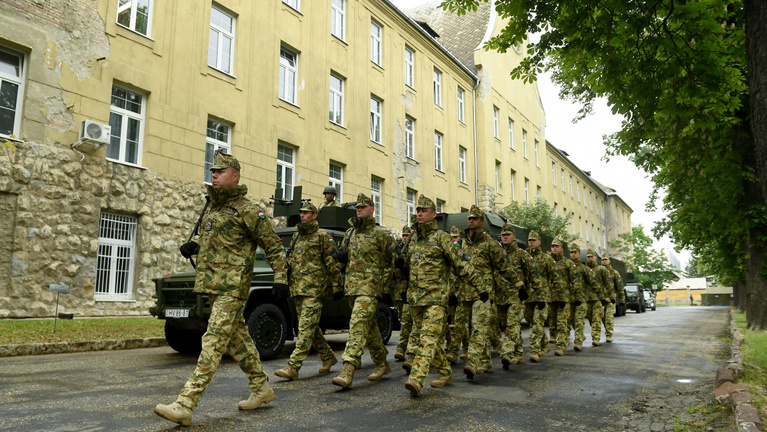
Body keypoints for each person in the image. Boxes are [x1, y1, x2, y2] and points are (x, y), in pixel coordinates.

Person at [154, 150, 288, 427]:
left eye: (219, 172)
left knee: (212, 342)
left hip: (234, 287)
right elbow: (216, 241)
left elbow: (273, 245)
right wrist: (195, 246)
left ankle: (185, 404)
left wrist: (281, 279)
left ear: (235, 176)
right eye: (212, 172)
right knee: (239, 341)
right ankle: (262, 388)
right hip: (215, 285)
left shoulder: (250, 210)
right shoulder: (214, 208)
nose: (213, 175)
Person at [400, 195, 482, 396]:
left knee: (426, 339)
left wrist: (480, 286)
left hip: (436, 299)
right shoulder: (413, 240)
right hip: (415, 299)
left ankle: (416, 379)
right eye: (418, 210)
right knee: (432, 341)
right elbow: (406, 269)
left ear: (434, 214)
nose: (419, 213)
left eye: (424, 210)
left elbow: (461, 264)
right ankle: (445, 372)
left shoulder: (442, 238)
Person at [331, 193, 396, 388]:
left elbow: (392, 261)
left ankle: (348, 369)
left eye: (363, 206)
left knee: (357, 324)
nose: (359, 209)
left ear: (372, 209)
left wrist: (384, 285)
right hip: (353, 287)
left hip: (370, 287)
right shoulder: (350, 233)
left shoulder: (381, 234)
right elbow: (344, 255)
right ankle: (382, 363)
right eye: (357, 207)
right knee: (369, 328)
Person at [274, 202, 342, 380]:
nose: (302, 215)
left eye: (306, 213)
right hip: (298, 290)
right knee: (311, 328)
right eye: (301, 212)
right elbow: (290, 260)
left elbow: (333, 264)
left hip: (314, 290)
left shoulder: (323, 237)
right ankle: (328, 357)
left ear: (314, 215)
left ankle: (293, 367)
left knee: (304, 329)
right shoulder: (297, 236)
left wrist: (337, 286)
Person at [454, 205, 518, 378]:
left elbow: (503, 267)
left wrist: (519, 285)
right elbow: (457, 268)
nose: (471, 221)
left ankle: (472, 363)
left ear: (482, 222)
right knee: (473, 328)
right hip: (466, 292)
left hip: (484, 293)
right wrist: (453, 292)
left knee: (479, 329)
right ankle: (486, 362)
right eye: (469, 218)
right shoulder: (462, 243)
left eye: (475, 218)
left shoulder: (489, 243)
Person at [498, 223, 540, 367]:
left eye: (508, 235)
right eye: (503, 235)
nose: (505, 237)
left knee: (512, 325)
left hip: (517, 296)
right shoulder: (498, 253)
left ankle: (506, 353)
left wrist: (536, 293)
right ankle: (518, 352)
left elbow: (533, 273)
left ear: (514, 237)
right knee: (507, 326)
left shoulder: (522, 254)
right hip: (500, 297)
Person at [525, 230, 557, 362]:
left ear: (539, 242)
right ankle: (545, 345)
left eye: (534, 240)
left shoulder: (547, 259)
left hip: (542, 296)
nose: (531, 242)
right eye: (529, 240)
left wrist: (550, 296)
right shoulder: (525, 256)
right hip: (528, 296)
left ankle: (535, 350)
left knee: (537, 324)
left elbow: (555, 278)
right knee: (532, 322)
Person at [549, 237, 579, 356]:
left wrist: (572, 296)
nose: (554, 248)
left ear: (562, 249)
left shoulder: (568, 263)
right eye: (552, 246)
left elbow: (576, 281)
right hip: (550, 297)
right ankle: (556, 339)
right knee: (552, 321)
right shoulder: (548, 261)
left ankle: (561, 346)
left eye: (556, 246)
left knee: (562, 322)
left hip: (564, 298)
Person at [568, 243, 596, 351]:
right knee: (571, 320)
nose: (573, 254)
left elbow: (593, 282)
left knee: (579, 320)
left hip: (582, 299)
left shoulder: (584, 268)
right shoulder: (567, 266)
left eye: (575, 252)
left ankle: (578, 341)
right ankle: (580, 335)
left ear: (579, 254)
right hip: (570, 299)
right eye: (571, 252)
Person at [394, 225, 413, 361]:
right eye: (404, 235)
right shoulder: (399, 249)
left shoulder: (412, 248)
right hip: (400, 290)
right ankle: (402, 348)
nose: (405, 237)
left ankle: (405, 348)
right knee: (404, 320)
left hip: (412, 289)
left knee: (410, 321)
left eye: (407, 235)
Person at [586, 249, 612, 346]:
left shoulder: (601, 269)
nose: (590, 259)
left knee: (597, 318)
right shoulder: (585, 269)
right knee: (590, 318)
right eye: (588, 257)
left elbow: (608, 284)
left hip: (598, 298)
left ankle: (596, 338)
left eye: (591, 257)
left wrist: (607, 296)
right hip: (587, 298)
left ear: (595, 257)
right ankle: (595, 335)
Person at [600, 255, 624, 343]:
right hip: (601, 298)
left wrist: (622, 299)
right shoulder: (598, 272)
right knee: (602, 316)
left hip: (611, 298)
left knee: (609, 317)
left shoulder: (614, 273)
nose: (604, 261)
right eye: (602, 260)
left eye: (605, 260)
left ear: (609, 261)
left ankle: (609, 334)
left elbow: (620, 287)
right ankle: (606, 330)